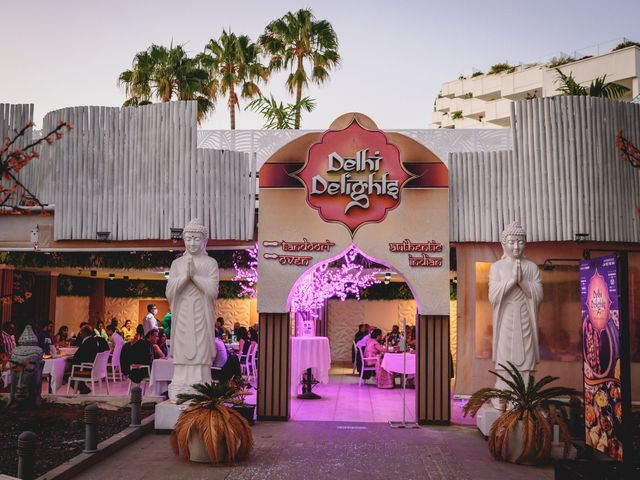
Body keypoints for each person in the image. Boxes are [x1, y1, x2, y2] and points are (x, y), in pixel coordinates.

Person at [165, 219, 219, 401]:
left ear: (204, 241)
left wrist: (194, 276)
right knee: (181, 348)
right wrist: (184, 277)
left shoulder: (210, 263)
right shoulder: (177, 264)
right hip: (182, 313)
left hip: (201, 313)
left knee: (201, 346)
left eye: (197, 239)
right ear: (184, 240)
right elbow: (169, 291)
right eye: (189, 238)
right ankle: (180, 382)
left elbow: (212, 291)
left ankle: (201, 382)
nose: (193, 243)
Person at [489, 221, 543, 398]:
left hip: (525, 315)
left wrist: (522, 281)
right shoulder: (497, 267)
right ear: (504, 244)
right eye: (511, 242)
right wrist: (512, 280)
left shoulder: (531, 267)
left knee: (526, 351)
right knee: (505, 353)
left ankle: (525, 393)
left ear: (525, 243)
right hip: (506, 317)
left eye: (520, 242)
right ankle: (503, 391)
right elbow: (493, 295)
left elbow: (538, 295)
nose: (516, 246)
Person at [70, 326, 109, 394]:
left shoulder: (87, 342)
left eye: (81, 332)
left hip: (88, 368)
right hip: (94, 368)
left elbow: (77, 356)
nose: (80, 333)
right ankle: (84, 389)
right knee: (71, 369)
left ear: (85, 333)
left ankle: (84, 389)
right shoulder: (93, 340)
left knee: (66, 374)